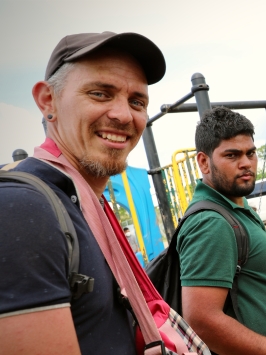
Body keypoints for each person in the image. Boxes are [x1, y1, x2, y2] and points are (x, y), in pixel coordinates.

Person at [0, 31, 166, 354]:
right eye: (100, 94)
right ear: (48, 101)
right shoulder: (24, 209)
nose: (123, 115)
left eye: (137, 101)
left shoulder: (86, 204)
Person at [177, 106, 266, 355]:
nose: (246, 163)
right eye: (232, 155)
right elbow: (201, 319)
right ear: (204, 162)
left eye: (251, 153)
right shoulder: (211, 223)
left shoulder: (236, 208)